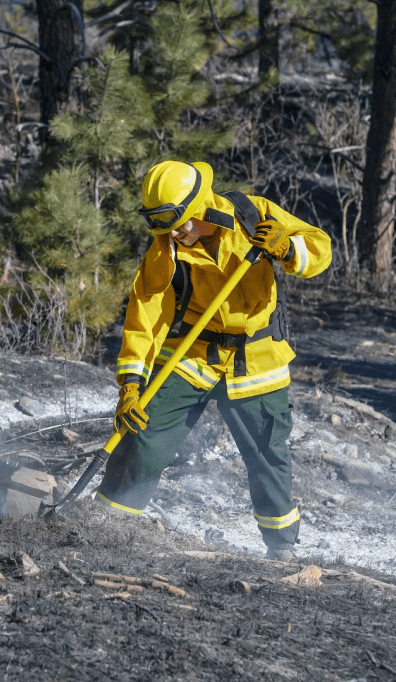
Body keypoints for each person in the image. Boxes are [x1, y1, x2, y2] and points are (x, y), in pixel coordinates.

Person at [96, 160, 332, 560]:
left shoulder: (252, 214)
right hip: (192, 353)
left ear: (199, 207)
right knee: (143, 431)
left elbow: (320, 250)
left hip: (256, 356)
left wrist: (287, 248)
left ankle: (281, 548)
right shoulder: (165, 249)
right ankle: (106, 522)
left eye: (179, 224)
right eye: (163, 226)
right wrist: (131, 386)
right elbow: (145, 318)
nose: (173, 234)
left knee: (267, 453)